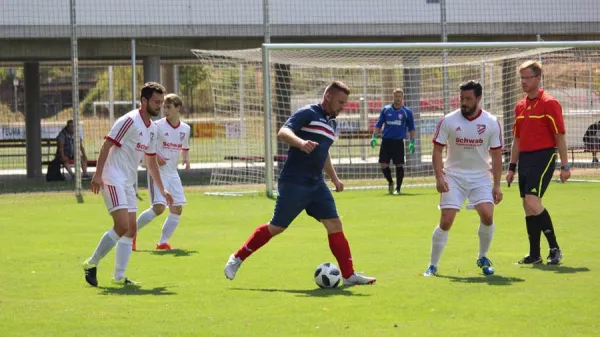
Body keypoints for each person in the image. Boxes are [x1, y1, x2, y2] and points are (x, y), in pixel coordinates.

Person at [223, 81, 376, 286]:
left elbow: (324, 153)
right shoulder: (308, 113)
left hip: (316, 183)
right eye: (340, 102)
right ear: (328, 96)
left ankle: (348, 275)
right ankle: (237, 258)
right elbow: (283, 132)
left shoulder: (332, 123)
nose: (342, 107)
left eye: (345, 103)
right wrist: (301, 143)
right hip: (294, 181)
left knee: (334, 224)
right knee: (277, 227)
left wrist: (334, 178)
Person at [81, 82, 174, 287]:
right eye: (156, 102)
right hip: (112, 177)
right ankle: (91, 263)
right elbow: (107, 144)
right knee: (122, 226)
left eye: (161, 102)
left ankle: (119, 277)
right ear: (144, 101)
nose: (159, 106)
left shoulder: (152, 129)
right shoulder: (129, 120)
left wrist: (162, 189)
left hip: (128, 182)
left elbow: (150, 162)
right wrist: (97, 175)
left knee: (131, 230)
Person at [423, 80, 503, 277]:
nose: (463, 103)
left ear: (478, 98)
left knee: (487, 215)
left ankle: (482, 256)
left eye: (468, 99)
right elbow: (437, 150)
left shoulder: (491, 122)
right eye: (461, 99)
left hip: (480, 177)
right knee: (447, 220)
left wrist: (497, 185)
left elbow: (496, 155)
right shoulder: (448, 121)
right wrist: (439, 176)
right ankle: (432, 265)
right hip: (454, 176)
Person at [506, 60, 570, 265]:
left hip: (544, 156)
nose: (523, 82)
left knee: (532, 200)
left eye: (527, 77)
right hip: (525, 158)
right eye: (521, 78)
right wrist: (511, 167)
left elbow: (560, 136)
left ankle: (555, 248)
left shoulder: (550, 103)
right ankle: (534, 255)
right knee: (527, 205)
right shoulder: (520, 106)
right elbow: (516, 139)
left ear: (538, 78)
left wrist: (565, 166)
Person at [134, 93, 191, 251]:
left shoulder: (185, 129)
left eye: (168, 107)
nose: (165, 110)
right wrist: (156, 156)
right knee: (159, 208)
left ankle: (163, 242)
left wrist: (186, 160)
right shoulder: (157, 126)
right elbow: (144, 144)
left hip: (173, 173)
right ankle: (132, 232)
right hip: (157, 172)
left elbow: (185, 147)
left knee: (177, 208)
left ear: (178, 108)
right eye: (164, 107)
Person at [372, 88, 416, 194]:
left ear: (402, 97)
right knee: (383, 165)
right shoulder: (386, 110)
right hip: (386, 142)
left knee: (399, 165)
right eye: (396, 96)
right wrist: (374, 137)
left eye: (400, 96)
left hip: (398, 142)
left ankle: (398, 189)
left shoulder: (407, 112)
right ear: (393, 97)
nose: (398, 98)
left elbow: (411, 128)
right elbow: (378, 124)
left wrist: (412, 141)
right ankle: (390, 182)